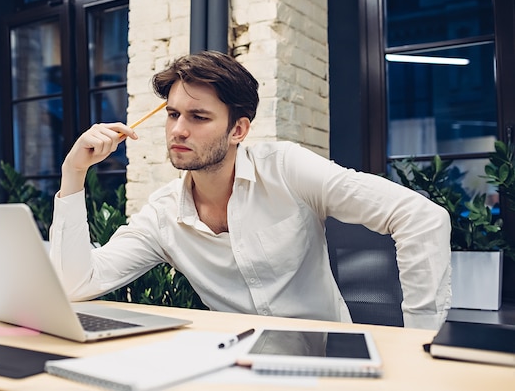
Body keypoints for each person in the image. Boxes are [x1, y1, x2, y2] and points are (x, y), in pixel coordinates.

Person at [49, 50, 451, 330]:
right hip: (233, 368)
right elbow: (76, 285)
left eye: (198, 116)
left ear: (238, 129)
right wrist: (73, 172)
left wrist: (421, 338)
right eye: (172, 115)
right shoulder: (163, 213)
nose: (178, 130)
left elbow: (421, 217)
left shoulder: (287, 169)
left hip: (327, 362)